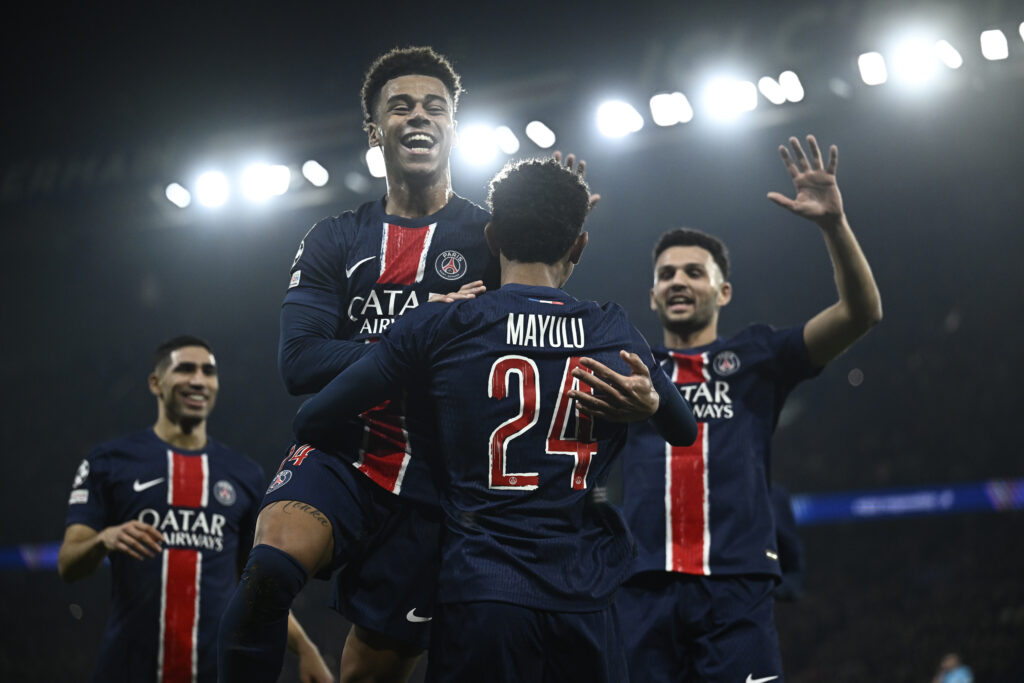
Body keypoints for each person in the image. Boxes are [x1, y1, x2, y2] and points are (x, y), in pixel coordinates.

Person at [292, 157, 698, 682]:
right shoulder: (613, 331)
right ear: (579, 246)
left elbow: (313, 416)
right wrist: (652, 406)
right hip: (585, 597)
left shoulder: (445, 323)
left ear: (491, 237)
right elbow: (684, 430)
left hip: (481, 590)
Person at [218, 46, 500, 683]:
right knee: (267, 574)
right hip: (341, 452)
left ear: (454, 126)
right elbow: (299, 362)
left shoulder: (493, 240)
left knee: (367, 675)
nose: (419, 115)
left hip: (434, 480)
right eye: (400, 106)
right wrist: (418, 332)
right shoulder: (335, 237)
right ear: (375, 131)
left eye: (435, 107)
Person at [616, 135, 883, 682]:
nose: (678, 281)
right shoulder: (627, 363)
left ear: (724, 292)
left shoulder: (760, 355)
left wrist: (834, 225)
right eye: (666, 274)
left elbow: (861, 313)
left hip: (735, 589)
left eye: (694, 272)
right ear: (652, 295)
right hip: (641, 586)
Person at [58, 335, 332, 683]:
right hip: (127, 669)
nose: (199, 380)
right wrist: (103, 540)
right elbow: (68, 564)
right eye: (186, 369)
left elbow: (252, 585)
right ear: (156, 382)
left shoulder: (243, 473)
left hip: (212, 672)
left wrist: (305, 647)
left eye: (208, 372)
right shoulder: (109, 461)